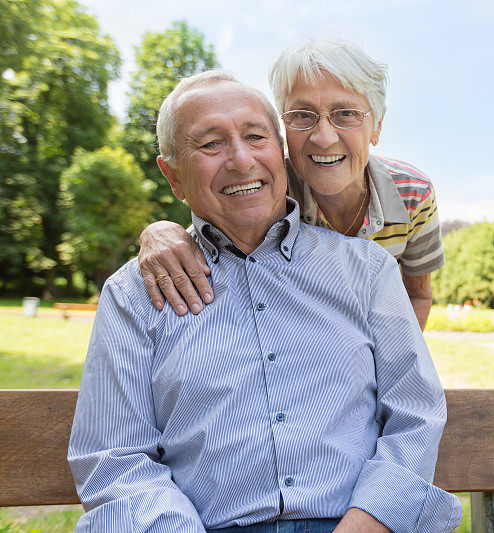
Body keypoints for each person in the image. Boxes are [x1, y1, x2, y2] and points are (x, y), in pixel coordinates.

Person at [68, 71, 461, 533]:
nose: (239, 160)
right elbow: (115, 460)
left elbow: (415, 416)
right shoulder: (133, 294)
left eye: (256, 137)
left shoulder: (368, 271)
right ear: (173, 176)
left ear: (281, 153)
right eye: (210, 144)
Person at [138, 37, 443, 330]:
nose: (324, 138)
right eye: (302, 115)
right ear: (283, 127)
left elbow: (416, 294)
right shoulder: (267, 185)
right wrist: (159, 233)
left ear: (376, 126)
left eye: (346, 114)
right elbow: (213, 223)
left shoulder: (413, 195)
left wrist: (390, 365)